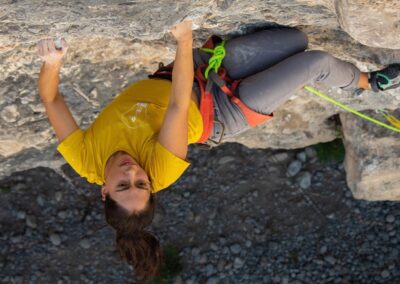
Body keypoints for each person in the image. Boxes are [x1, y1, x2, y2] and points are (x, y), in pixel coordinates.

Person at [37, 20, 399, 279]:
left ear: (103, 190)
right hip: (224, 110)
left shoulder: (85, 158)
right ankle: (370, 82)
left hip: (197, 72)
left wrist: (51, 64)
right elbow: (179, 106)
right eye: (141, 185)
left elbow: (51, 98)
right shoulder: (162, 171)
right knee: (314, 63)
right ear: (152, 186)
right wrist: (183, 37)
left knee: (295, 39)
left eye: (122, 185)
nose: (133, 173)